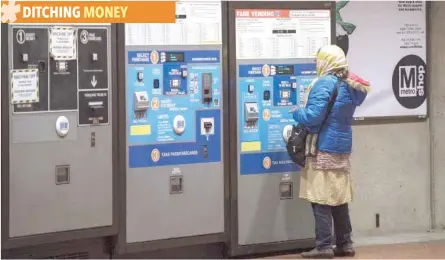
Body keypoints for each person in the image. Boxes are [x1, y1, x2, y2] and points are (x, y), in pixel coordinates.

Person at [290, 45, 370, 259]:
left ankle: (324, 246)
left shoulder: (325, 82)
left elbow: (314, 116)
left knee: (320, 197)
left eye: (319, 59)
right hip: (342, 148)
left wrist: (297, 113)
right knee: (339, 197)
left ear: (326, 61)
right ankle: (345, 243)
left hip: (323, 146)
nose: (317, 63)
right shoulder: (349, 84)